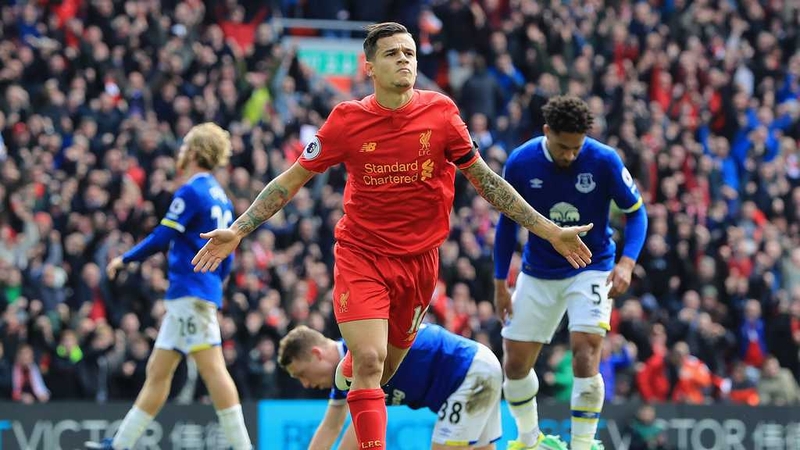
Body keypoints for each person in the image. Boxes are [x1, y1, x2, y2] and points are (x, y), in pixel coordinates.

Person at [192, 22, 592, 449]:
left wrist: (549, 231)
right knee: (368, 360)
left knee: (382, 373)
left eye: (410, 52)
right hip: (361, 255)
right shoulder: (346, 121)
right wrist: (238, 229)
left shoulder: (441, 115)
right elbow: (289, 182)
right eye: (393, 53)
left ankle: (355, 373)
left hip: (419, 265)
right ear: (369, 67)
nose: (405, 59)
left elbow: (488, 183)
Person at [494, 95, 648, 450]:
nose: (570, 155)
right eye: (563, 147)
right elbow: (506, 226)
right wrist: (501, 283)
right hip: (538, 269)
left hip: (592, 266)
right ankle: (530, 441)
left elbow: (636, 213)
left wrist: (626, 263)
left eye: (576, 147)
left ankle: (582, 444)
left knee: (586, 349)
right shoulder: (521, 162)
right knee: (514, 363)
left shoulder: (605, 160)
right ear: (547, 132)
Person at [85, 123, 252, 450]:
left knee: (213, 369)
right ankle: (120, 444)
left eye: (184, 146)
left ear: (192, 152)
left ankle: (243, 446)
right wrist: (215, 284)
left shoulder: (192, 191)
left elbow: (163, 236)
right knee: (158, 372)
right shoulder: (221, 196)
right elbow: (229, 251)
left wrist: (125, 258)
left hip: (191, 292)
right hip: (197, 291)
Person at [278, 323, 506, 450]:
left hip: (470, 372)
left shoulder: (362, 355)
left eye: (302, 374)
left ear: (317, 354)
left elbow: (356, 434)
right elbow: (331, 427)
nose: (306, 383)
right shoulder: (347, 372)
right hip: (478, 365)